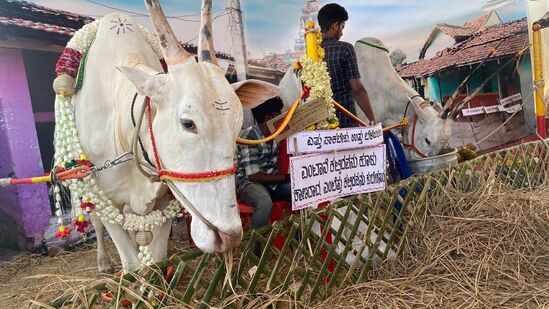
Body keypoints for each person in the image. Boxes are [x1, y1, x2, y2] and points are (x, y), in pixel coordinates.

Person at [235, 97, 291, 233]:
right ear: (269, 117)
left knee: (298, 191)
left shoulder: (277, 132)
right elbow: (254, 176)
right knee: (264, 203)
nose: (281, 117)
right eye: (279, 114)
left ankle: (297, 236)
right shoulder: (250, 136)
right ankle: (255, 250)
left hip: (272, 181)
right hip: (248, 183)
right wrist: (285, 178)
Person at [317, 3, 377, 128]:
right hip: (345, 122)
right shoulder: (345, 49)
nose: (342, 33)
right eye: (342, 27)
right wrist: (372, 119)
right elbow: (357, 89)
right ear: (335, 26)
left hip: (319, 125)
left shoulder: (310, 54)